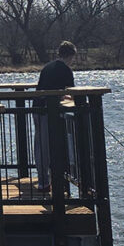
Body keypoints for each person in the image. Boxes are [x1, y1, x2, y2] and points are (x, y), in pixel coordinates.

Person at [34, 40, 78, 199]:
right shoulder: (66, 70)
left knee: (40, 145)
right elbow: (71, 92)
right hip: (49, 111)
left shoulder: (47, 67)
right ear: (71, 55)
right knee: (49, 147)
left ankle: (43, 181)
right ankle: (48, 182)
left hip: (37, 108)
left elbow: (43, 87)